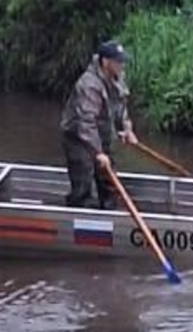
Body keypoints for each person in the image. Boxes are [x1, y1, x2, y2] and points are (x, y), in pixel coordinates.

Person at [61, 39, 143, 209]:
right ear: (105, 62)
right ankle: (77, 212)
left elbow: (121, 107)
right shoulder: (89, 85)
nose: (122, 65)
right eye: (118, 61)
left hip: (102, 133)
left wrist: (126, 129)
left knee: (109, 179)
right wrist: (98, 153)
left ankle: (109, 211)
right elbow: (85, 122)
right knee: (83, 182)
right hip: (79, 139)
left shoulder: (117, 79)